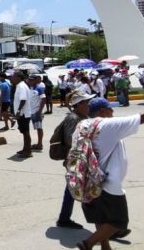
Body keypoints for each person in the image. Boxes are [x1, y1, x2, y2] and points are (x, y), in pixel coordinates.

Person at [75, 99, 144, 250]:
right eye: (110, 109)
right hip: (107, 183)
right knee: (118, 222)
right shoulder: (107, 124)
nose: (113, 112)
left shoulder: (82, 125)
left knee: (101, 217)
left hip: (87, 180)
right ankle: (87, 244)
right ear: (102, 111)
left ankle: (105, 246)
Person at [54, 91, 95, 230]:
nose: (89, 105)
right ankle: (105, 225)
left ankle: (64, 218)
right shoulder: (73, 118)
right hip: (76, 160)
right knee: (87, 189)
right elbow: (71, 140)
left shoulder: (82, 116)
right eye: (86, 102)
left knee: (73, 189)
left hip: (80, 159)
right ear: (78, 105)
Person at [12, 72, 33, 158]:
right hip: (23, 113)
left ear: (18, 77)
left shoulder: (21, 86)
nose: (12, 78)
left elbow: (23, 100)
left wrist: (18, 112)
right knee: (25, 132)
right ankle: (25, 149)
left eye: (13, 76)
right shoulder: (20, 85)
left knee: (26, 133)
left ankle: (28, 152)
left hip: (23, 114)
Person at [29, 75, 46, 152]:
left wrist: (39, 111)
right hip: (30, 112)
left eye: (32, 80)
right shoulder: (29, 88)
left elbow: (44, 99)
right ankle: (38, 144)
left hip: (36, 112)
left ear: (36, 80)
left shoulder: (39, 88)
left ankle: (40, 144)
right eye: (30, 80)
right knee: (35, 128)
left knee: (39, 128)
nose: (30, 81)